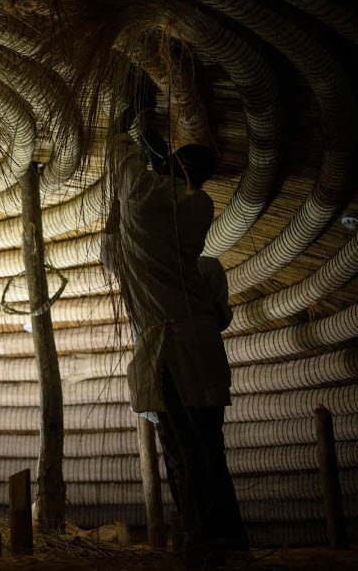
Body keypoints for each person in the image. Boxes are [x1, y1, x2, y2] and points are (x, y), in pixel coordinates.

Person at [100, 115, 246, 568]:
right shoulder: (197, 209)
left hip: (175, 354)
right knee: (202, 447)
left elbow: (123, 185)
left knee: (188, 451)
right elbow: (115, 237)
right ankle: (218, 539)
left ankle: (208, 542)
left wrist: (123, 131)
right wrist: (153, 151)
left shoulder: (151, 201)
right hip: (196, 352)